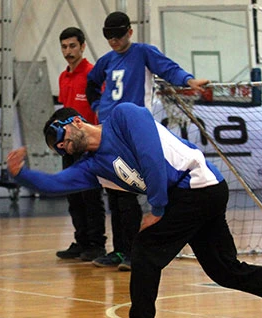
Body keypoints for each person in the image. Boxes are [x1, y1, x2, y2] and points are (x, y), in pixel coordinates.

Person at [6, 103, 262, 318]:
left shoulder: (124, 116)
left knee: (145, 250)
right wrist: (22, 174)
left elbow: (150, 157)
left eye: (59, 138)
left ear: (76, 121)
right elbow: (55, 184)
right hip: (196, 194)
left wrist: (158, 209)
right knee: (226, 271)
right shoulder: (93, 167)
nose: (61, 147)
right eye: (55, 148)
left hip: (195, 187)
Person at [85, 11, 210, 271]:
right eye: (108, 36)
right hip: (107, 130)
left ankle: (133, 251)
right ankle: (119, 250)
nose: (113, 41)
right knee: (114, 194)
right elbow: (92, 83)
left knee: (129, 193)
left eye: (118, 36)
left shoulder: (143, 53)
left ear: (129, 32)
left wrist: (188, 80)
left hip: (131, 131)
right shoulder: (107, 60)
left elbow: (168, 69)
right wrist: (98, 105)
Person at [55, 26, 107, 262]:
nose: (68, 51)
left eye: (72, 46)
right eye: (64, 47)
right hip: (69, 147)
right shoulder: (63, 77)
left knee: (90, 196)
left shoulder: (92, 75)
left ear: (83, 46)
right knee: (73, 195)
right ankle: (81, 241)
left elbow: (100, 110)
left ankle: (97, 244)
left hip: (89, 146)